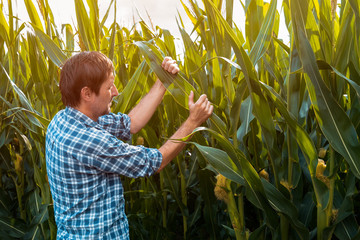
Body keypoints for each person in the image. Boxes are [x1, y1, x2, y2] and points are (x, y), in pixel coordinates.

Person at [45, 51, 213, 239]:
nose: (116, 92)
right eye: (109, 87)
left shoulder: (64, 120)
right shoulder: (90, 141)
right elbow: (155, 162)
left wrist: (162, 82)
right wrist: (193, 122)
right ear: (86, 93)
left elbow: (130, 123)